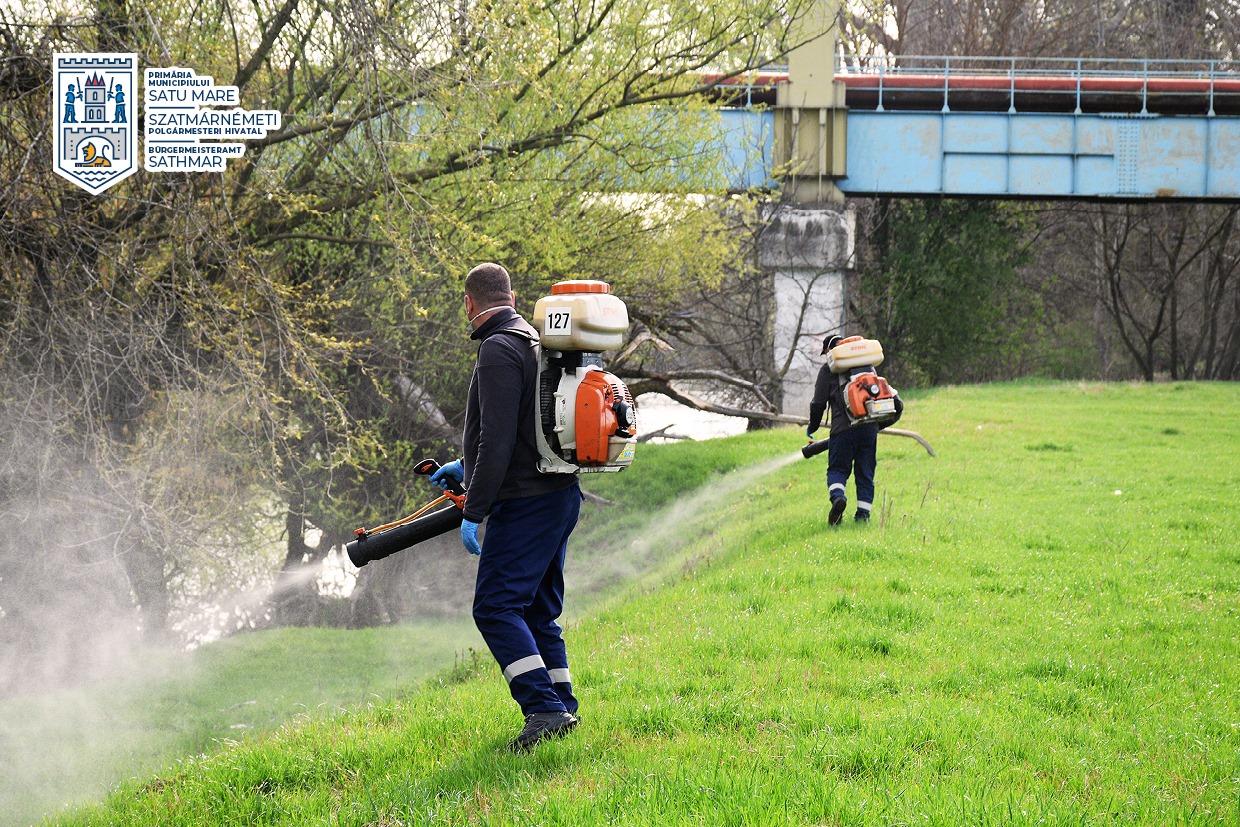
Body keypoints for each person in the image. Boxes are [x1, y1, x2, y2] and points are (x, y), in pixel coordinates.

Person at [430, 262, 583, 752]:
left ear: (470, 303)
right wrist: (463, 463)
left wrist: (474, 509)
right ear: (512, 297)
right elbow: (522, 428)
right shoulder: (534, 342)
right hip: (559, 494)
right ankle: (562, 705)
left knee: (495, 606)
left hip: (526, 502)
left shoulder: (497, 350)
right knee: (538, 610)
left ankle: (542, 709)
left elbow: (496, 439)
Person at [805, 334, 901, 525]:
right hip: (869, 429)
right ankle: (863, 517)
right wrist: (876, 425)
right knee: (865, 472)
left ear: (829, 351)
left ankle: (838, 498)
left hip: (842, 430)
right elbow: (897, 406)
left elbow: (818, 404)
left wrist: (812, 427)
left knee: (838, 469)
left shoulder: (828, 370)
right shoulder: (868, 366)